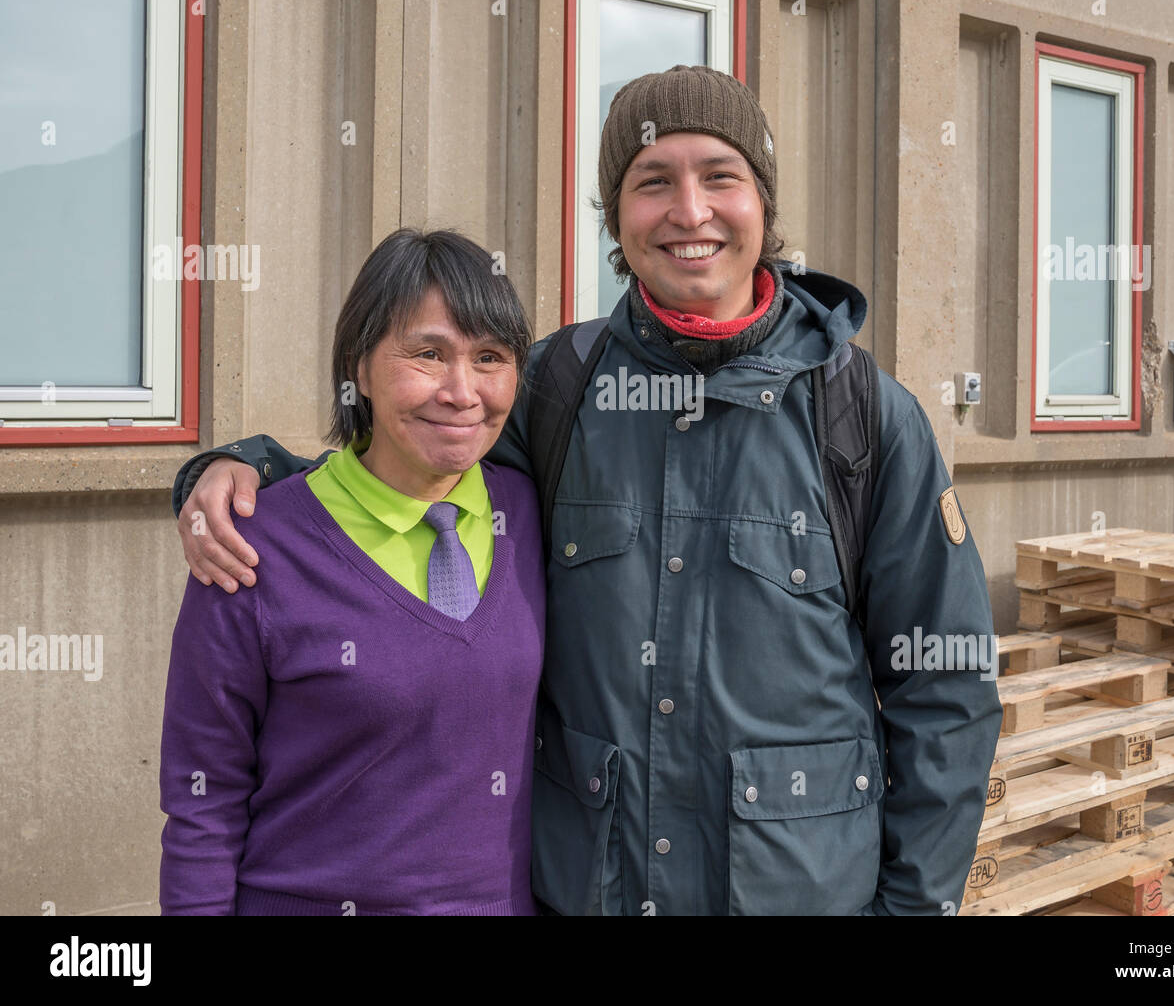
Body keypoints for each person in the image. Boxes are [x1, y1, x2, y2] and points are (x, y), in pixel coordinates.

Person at [171, 65, 1003, 916]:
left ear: (764, 204)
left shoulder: (862, 415)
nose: (689, 211)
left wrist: (910, 908)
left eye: (721, 176)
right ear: (616, 215)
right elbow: (410, 459)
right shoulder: (556, 388)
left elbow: (945, 691)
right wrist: (243, 468)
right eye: (653, 183)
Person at [159, 229, 543, 915]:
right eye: (428, 354)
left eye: (491, 357)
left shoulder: (533, 516)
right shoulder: (249, 546)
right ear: (358, 369)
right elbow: (203, 801)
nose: (462, 391)